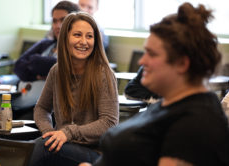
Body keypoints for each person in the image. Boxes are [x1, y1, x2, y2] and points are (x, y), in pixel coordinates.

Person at [80, 2, 229, 166]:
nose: (142, 61)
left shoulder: (196, 124)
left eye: (151, 54)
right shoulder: (170, 104)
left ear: (181, 64)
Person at [28, 12, 119, 166]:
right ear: (65, 38)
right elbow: (42, 108)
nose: (84, 42)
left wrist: (67, 132)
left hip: (96, 153)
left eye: (89, 36)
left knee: (41, 148)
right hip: (64, 146)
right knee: (33, 147)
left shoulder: (104, 73)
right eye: (77, 35)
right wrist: (48, 132)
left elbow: (109, 123)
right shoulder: (56, 71)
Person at [12, 1, 80, 116]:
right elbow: (18, 66)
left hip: (46, 111)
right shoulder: (45, 44)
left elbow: (62, 69)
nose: (58, 26)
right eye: (54, 21)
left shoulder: (78, 49)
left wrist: (36, 62)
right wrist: (38, 75)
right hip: (21, 102)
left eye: (62, 20)